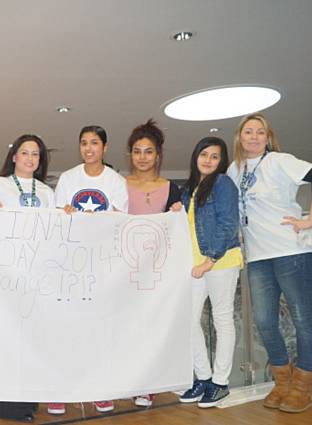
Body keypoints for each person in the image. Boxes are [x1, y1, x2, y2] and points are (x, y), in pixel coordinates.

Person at [227, 113, 312, 413]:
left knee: (301, 318)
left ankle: (302, 386)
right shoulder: (235, 169)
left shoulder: (278, 161)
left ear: (268, 137)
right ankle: (282, 382)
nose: (254, 136)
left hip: (291, 252)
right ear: (240, 137)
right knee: (265, 322)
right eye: (248, 132)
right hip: (258, 257)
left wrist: (311, 219)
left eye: (260, 132)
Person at [49, 125, 127, 416]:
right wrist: (65, 215)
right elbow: (58, 220)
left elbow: (120, 223)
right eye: (83, 143)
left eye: (94, 143)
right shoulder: (69, 179)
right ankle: (61, 391)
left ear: (105, 147)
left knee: (99, 328)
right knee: (68, 327)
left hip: (102, 264)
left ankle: (99, 389)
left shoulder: (116, 181)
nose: (88, 148)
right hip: (71, 263)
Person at [0, 134, 54, 422]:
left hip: (36, 273)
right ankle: (10, 406)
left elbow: (53, 229)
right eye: (25, 153)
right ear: (13, 157)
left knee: (33, 338)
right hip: (6, 271)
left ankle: (29, 399)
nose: (30, 159)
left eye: (36, 154)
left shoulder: (47, 191)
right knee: (10, 338)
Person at [179, 137, 243, 408]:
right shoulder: (189, 188)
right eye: (204, 154)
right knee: (188, 322)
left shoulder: (223, 183)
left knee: (222, 319)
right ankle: (203, 377)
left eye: (215, 156)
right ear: (195, 156)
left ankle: (220, 382)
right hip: (195, 265)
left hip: (221, 261)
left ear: (221, 161)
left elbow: (228, 223)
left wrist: (210, 259)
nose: (208, 160)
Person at [124, 119, 182, 407]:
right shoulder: (118, 186)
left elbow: (180, 231)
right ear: (130, 154)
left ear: (158, 154)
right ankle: (128, 379)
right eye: (137, 151)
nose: (142, 157)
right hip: (125, 270)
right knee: (129, 326)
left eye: (148, 151)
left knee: (155, 325)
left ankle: (149, 383)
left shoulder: (172, 189)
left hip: (159, 271)